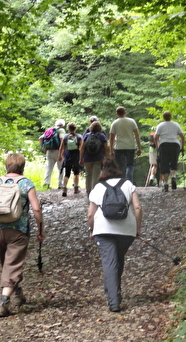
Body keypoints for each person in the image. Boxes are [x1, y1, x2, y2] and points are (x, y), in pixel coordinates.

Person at [0, 153, 45, 318]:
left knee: (8, 264)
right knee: (12, 265)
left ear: (7, 166)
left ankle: (17, 293)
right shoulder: (26, 183)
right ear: (22, 166)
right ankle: (4, 300)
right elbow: (36, 208)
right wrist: (41, 229)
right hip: (18, 230)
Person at [87, 158, 143, 312]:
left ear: (103, 171)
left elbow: (90, 215)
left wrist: (91, 230)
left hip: (103, 231)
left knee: (109, 262)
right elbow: (137, 207)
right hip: (126, 230)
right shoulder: (128, 184)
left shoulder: (98, 187)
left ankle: (114, 300)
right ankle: (113, 292)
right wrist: (138, 228)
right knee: (117, 259)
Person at [109, 106, 142, 182]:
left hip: (119, 147)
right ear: (125, 113)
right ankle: (129, 181)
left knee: (120, 166)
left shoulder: (115, 123)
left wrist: (111, 150)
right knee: (130, 164)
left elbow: (111, 138)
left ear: (117, 114)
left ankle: (121, 181)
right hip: (130, 146)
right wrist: (139, 148)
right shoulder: (132, 121)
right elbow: (137, 135)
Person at [155, 111, 185, 192]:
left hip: (164, 145)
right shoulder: (176, 124)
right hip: (175, 145)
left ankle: (165, 183)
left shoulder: (160, 125)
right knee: (173, 162)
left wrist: (157, 147)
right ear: (170, 117)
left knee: (164, 163)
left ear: (163, 117)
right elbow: (182, 137)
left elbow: (156, 137)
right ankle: (174, 177)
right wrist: (182, 147)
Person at [80, 120, 109, 195]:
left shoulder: (86, 135)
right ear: (100, 128)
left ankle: (88, 192)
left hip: (87, 158)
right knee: (96, 176)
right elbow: (106, 148)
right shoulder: (102, 136)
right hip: (98, 158)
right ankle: (95, 192)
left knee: (88, 175)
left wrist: (80, 159)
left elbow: (82, 148)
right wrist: (106, 157)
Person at [39, 119, 66, 189]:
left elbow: (40, 138)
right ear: (63, 125)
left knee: (49, 168)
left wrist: (43, 148)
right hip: (58, 151)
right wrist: (62, 151)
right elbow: (62, 139)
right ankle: (60, 184)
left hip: (49, 151)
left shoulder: (49, 130)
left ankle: (46, 184)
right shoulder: (61, 130)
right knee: (61, 169)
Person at [59, 122, 83, 196]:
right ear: (75, 128)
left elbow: (61, 147)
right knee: (76, 172)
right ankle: (76, 189)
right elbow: (81, 147)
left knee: (67, 173)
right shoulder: (79, 136)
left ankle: (64, 189)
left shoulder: (65, 136)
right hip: (76, 155)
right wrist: (81, 157)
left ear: (68, 129)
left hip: (68, 155)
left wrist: (60, 155)